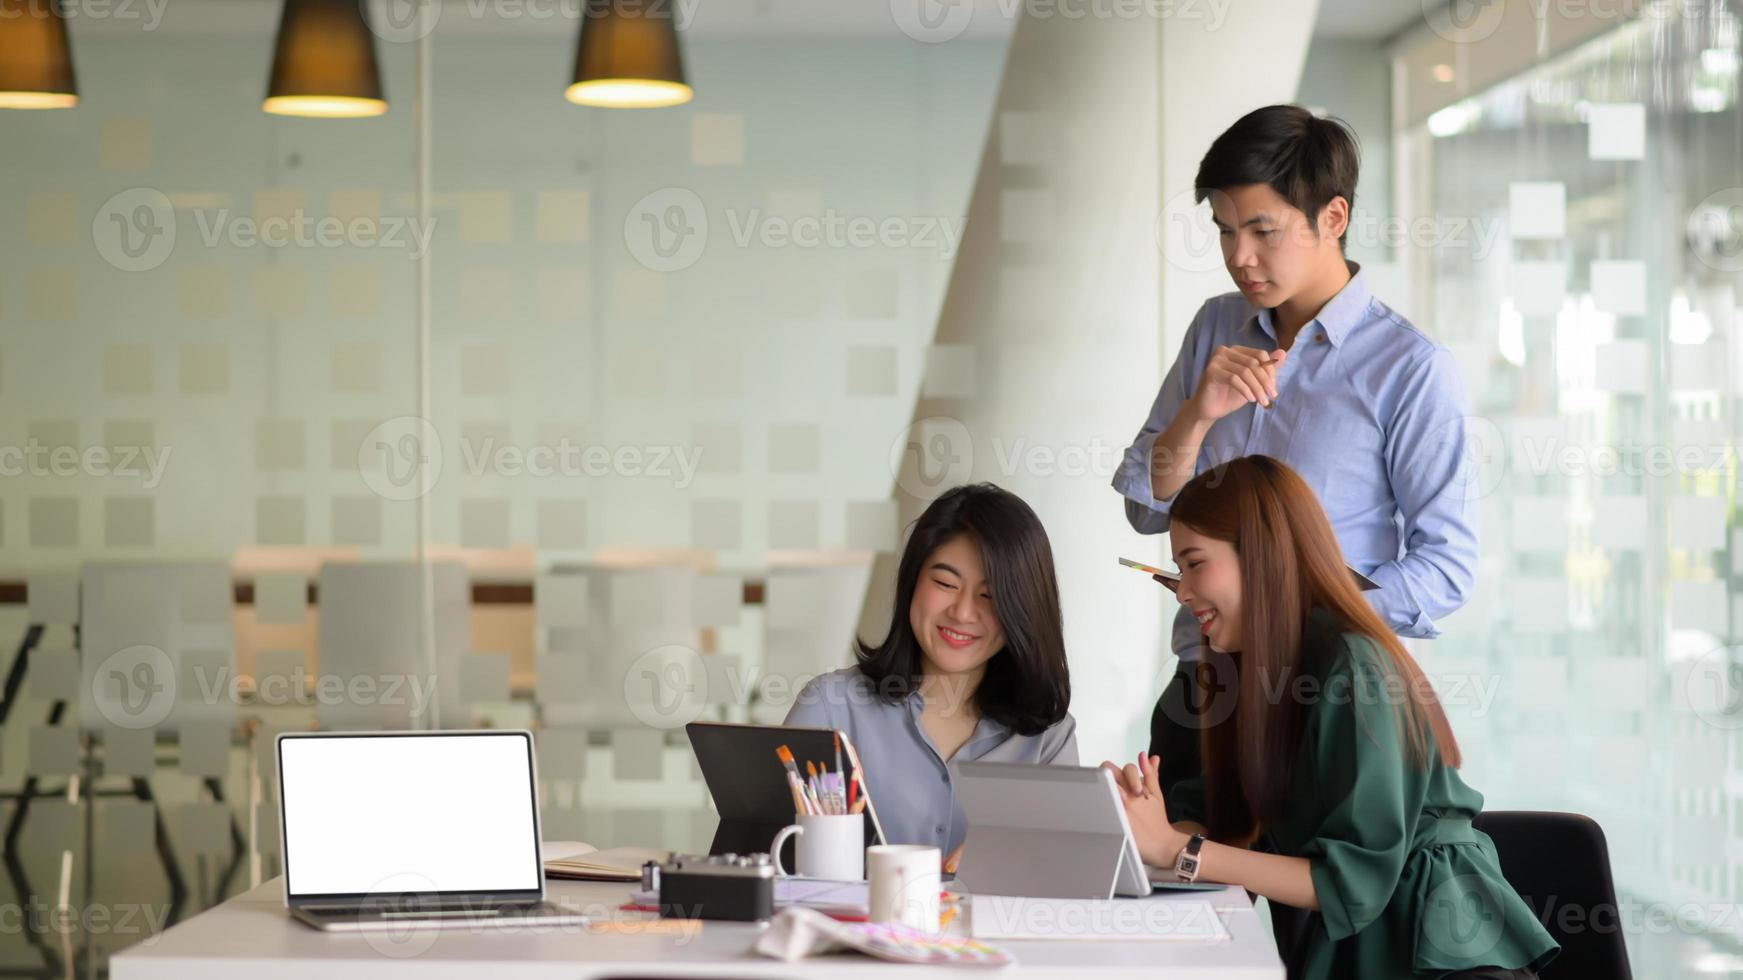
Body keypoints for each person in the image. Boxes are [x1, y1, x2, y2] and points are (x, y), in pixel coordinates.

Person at [1112, 104, 1479, 807]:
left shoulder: (1409, 369)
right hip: (1205, 685)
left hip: (1325, 695)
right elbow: (1145, 509)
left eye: (1262, 230)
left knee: (1320, 909)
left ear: (1332, 218)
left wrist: (1300, 609)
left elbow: (1445, 568)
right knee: (1162, 889)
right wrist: (1198, 414)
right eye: (1224, 231)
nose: (1238, 256)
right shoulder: (1215, 328)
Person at [1103, 456, 1555, 980]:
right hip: (1352, 945)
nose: (1181, 591)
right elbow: (1221, 825)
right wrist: (1139, 825)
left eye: (1195, 563)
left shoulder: (1354, 669)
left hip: (1435, 957)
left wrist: (1179, 849)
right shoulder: (1241, 671)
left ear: (1264, 555)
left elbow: (1349, 881)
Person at [784, 483, 1077, 870]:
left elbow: (1065, 876)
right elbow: (771, 856)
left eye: (989, 596)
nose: (962, 613)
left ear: (1022, 609)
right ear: (912, 583)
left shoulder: (1048, 738)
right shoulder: (831, 707)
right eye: (945, 584)